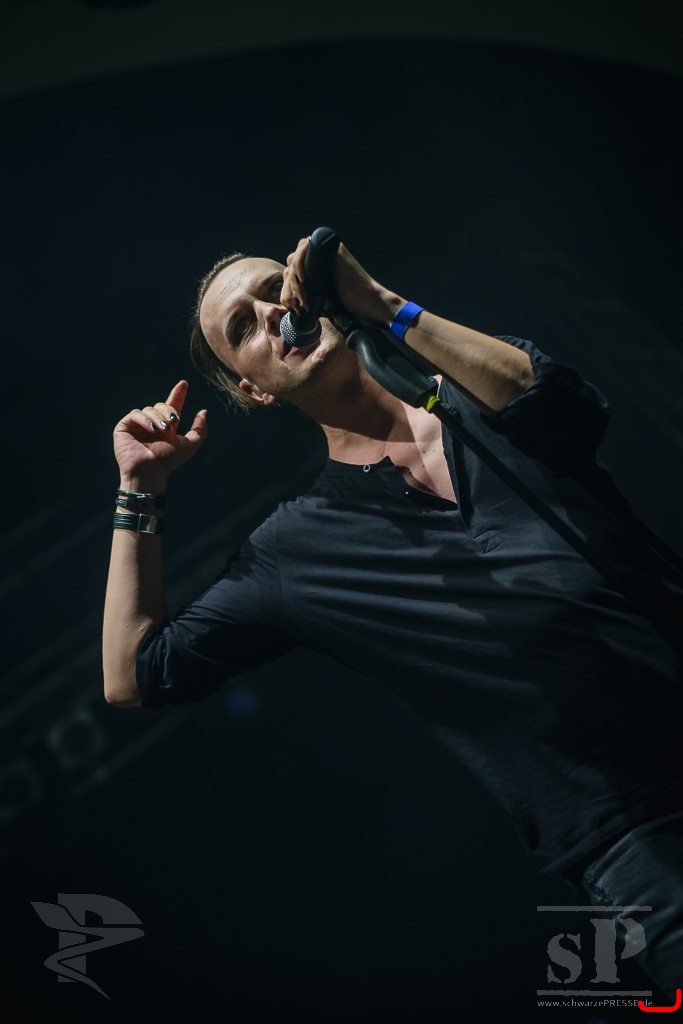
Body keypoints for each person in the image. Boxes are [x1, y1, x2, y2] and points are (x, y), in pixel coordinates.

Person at [103, 235, 683, 998]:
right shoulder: (294, 551)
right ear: (253, 389)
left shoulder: (474, 389)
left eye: (275, 289)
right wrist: (140, 490)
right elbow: (134, 674)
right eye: (242, 326)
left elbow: (562, 403)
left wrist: (380, 305)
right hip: (639, 840)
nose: (270, 314)